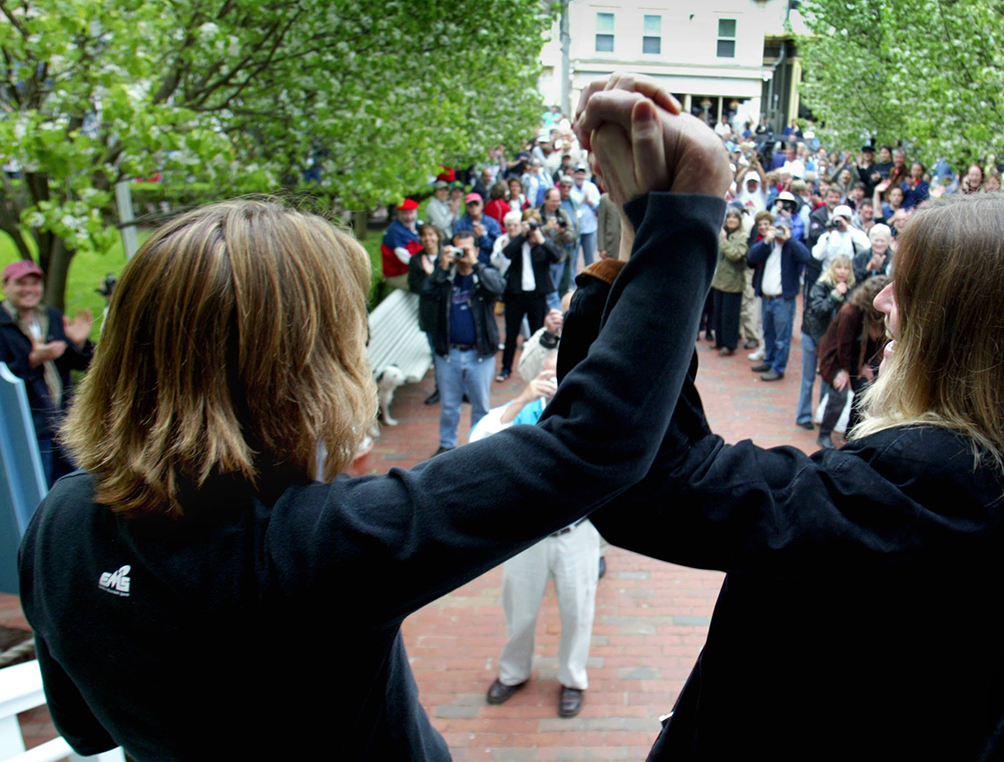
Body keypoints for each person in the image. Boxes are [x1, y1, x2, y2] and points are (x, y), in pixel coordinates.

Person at [19, 78, 733, 761]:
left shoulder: (60, 522)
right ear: (295, 376)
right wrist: (681, 211)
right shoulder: (318, 551)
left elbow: (83, 728)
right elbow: (595, 445)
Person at [576, 154, 1004, 758]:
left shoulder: (935, 478)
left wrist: (647, 238)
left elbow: (656, 483)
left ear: (967, 327)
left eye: (912, 288)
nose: (883, 303)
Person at [476, 346, 601, 719]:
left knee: (578, 610)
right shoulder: (522, 415)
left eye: (560, 376)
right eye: (546, 376)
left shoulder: (589, 413)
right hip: (527, 534)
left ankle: (573, 679)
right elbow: (481, 443)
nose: (553, 384)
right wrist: (523, 398)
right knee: (520, 610)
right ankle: (514, 672)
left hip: (576, 533)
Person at [0, 260, 93, 485]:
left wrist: (79, 345)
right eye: (21, 284)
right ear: (5, 286)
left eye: (34, 283)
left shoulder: (51, 316)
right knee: (38, 489)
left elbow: (80, 364)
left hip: (63, 420)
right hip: (27, 425)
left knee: (77, 485)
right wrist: (31, 361)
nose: (29, 290)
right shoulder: (2, 323)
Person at [425, 230, 504, 453]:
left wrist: (476, 264)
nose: (462, 255)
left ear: (477, 251)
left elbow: (498, 288)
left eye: (467, 249)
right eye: (459, 249)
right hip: (448, 353)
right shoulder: (445, 278)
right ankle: (446, 446)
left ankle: (476, 447)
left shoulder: (483, 276)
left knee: (481, 405)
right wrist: (441, 267)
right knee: (449, 406)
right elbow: (427, 294)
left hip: (479, 354)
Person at [814, 276, 888, 449]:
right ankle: (824, 434)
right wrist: (844, 371)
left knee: (865, 392)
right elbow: (843, 344)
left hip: (857, 358)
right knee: (839, 394)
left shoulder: (878, 316)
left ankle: (852, 433)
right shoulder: (851, 312)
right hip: (836, 358)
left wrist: (865, 365)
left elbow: (874, 344)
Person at [747, 213, 811, 381]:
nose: (781, 232)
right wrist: (767, 240)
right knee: (768, 333)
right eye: (778, 228)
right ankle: (768, 361)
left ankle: (778, 367)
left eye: (785, 228)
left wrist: (789, 239)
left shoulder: (792, 246)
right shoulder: (768, 245)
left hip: (783, 299)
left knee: (782, 338)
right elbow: (752, 257)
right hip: (766, 297)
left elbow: (806, 257)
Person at [497, 218, 561, 384]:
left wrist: (540, 237)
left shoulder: (541, 244)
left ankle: (539, 367)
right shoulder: (518, 243)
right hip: (516, 294)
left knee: (537, 331)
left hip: (537, 295)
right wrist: (522, 235)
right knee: (511, 333)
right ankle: (506, 368)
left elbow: (557, 256)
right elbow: (507, 253)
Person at [795, 252, 855, 430]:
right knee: (808, 377)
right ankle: (803, 415)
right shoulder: (821, 285)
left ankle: (822, 413)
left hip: (831, 342)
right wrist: (835, 295)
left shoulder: (851, 289)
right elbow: (818, 310)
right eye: (839, 267)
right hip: (812, 336)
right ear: (832, 268)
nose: (842, 271)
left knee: (827, 377)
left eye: (846, 268)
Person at [408, 223, 446, 406]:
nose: (428, 239)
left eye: (431, 234)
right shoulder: (416, 260)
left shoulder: (447, 256)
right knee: (436, 354)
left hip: (448, 314)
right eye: (424, 236)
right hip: (430, 315)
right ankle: (440, 388)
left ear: (438, 236)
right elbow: (416, 287)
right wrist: (431, 278)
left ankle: (460, 388)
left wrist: (431, 275)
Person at [712, 207, 749, 356]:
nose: (731, 220)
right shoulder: (722, 234)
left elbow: (736, 255)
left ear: (739, 221)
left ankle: (729, 344)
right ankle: (719, 341)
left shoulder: (742, 237)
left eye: (735, 218)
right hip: (718, 281)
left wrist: (724, 241)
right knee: (718, 314)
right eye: (729, 218)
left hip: (733, 284)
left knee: (730, 316)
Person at [381, 197, 422, 289]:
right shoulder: (394, 232)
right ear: (398, 214)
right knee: (430, 284)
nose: (409, 217)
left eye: (411, 212)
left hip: (413, 271)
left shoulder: (418, 225)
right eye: (405, 213)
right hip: (398, 275)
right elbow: (407, 260)